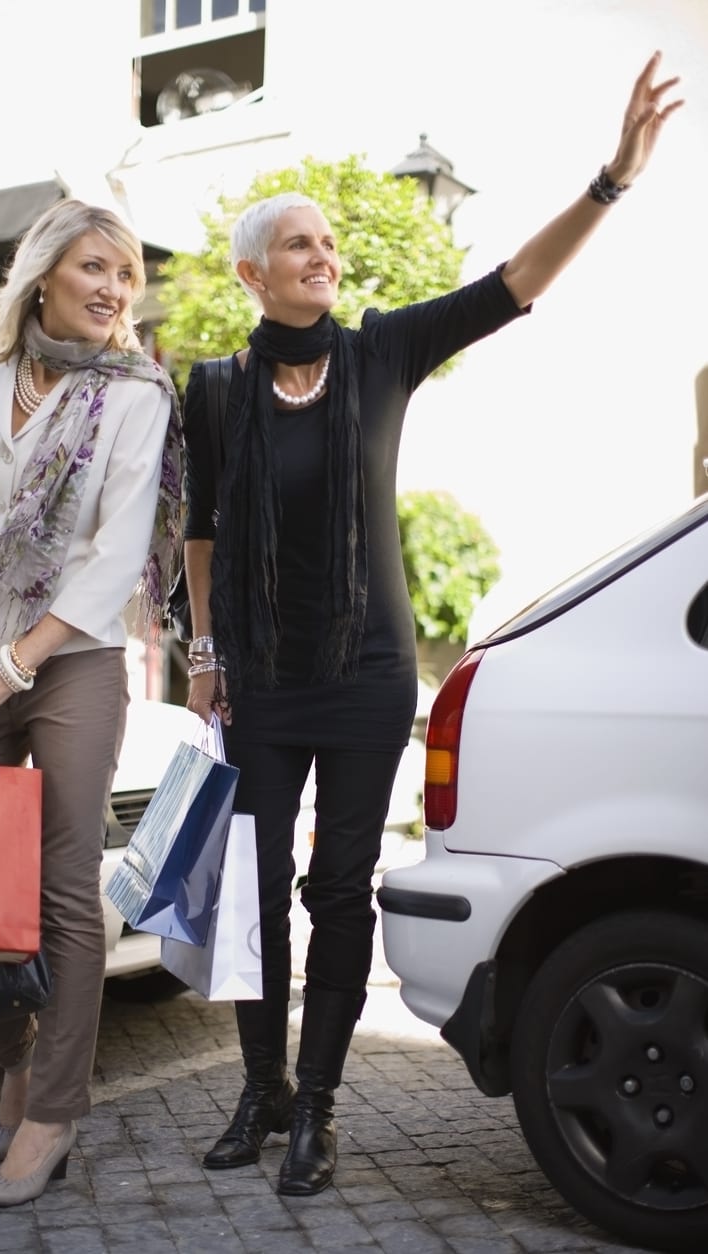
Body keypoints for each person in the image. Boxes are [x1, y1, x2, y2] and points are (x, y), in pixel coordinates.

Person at [181, 51, 683, 1197]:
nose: (325, 254)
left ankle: (314, 1106)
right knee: (256, 892)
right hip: (259, 676)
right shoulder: (212, 392)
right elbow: (199, 530)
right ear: (255, 272)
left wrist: (609, 179)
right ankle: (256, 1092)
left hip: (362, 674)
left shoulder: (378, 353)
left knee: (337, 890)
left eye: (327, 241)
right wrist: (205, 653)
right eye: (300, 244)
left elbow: (512, 286)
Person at [0, 199, 181, 1207]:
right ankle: (16, 1061)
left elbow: (113, 558)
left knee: (64, 893)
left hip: (69, 664)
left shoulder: (136, 397)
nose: (115, 288)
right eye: (96, 266)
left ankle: (55, 1112)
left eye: (127, 274)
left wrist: (9, 672)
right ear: (43, 274)